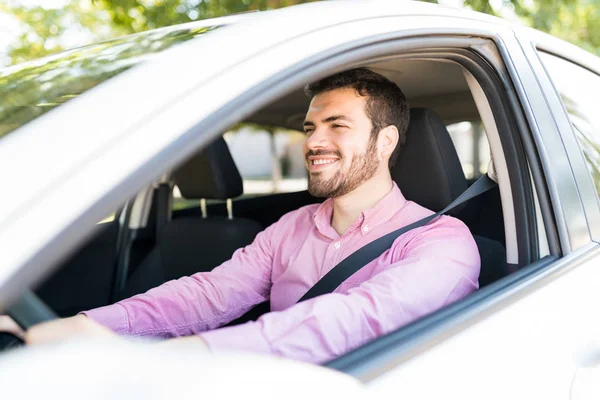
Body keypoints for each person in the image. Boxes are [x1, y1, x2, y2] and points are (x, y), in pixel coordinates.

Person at [3, 68, 480, 364]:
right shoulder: (291, 227)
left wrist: (173, 359)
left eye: (338, 126)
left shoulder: (442, 243)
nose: (314, 142)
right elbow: (211, 294)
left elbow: (355, 320)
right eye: (311, 127)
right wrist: (90, 327)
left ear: (387, 141)